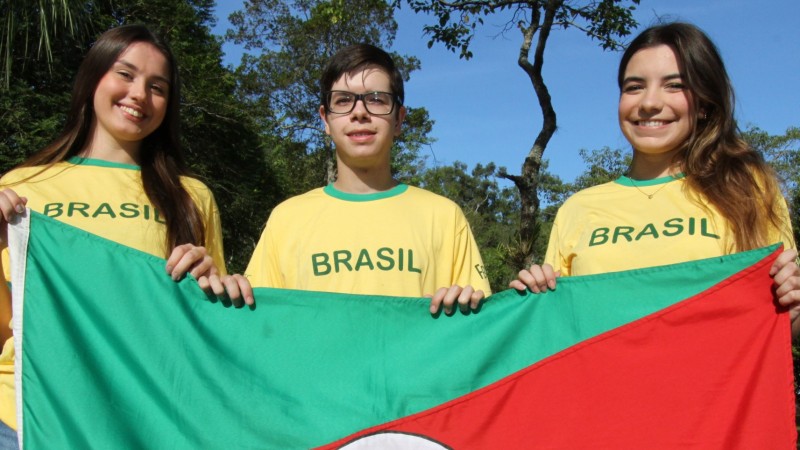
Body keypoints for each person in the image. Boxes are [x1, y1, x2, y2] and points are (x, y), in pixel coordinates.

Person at [0, 24, 250, 449]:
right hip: (25, 418)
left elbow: (211, 335)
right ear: (93, 77)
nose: (139, 95)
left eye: (157, 87)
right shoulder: (22, 187)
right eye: (126, 74)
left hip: (142, 422)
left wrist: (220, 287)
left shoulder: (192, 197)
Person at [510, 22, 800, 336]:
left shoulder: (747, 188)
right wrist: (535, 297)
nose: (649, 103)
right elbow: (559, 333)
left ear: (704, 104)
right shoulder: (577, 208)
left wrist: (794, 309)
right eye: (634, 87)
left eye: (674, 85)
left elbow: (779, 325)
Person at [245, 43, 491, 313]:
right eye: (343, 100)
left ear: (398, 119)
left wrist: (478, 301)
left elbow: (481, 325)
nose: (359, 112)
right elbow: (255, 321)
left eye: (376, 99)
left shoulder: (444, 217)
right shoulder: (286, 219)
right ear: (325, 119)